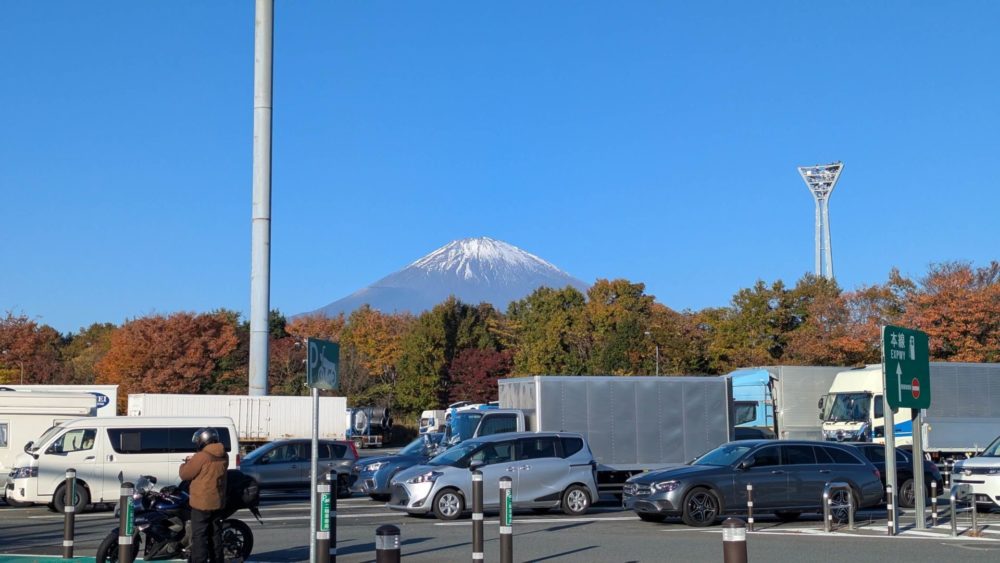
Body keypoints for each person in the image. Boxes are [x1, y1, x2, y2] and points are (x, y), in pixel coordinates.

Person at [179, 428, 229, 563]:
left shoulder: (202, 456)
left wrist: (185, 463)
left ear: (203, 440)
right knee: (215, 535)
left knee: (199, 536)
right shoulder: (224, 455)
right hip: (217, 502)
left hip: (201, 503)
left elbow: (185, 474)